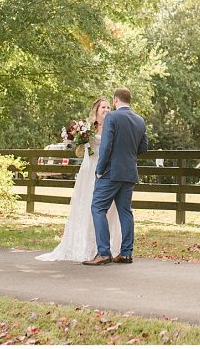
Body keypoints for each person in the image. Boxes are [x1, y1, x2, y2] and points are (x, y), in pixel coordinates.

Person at [36, 98, 122, 262]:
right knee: (87, 202)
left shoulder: (113, 125)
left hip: (106, 169)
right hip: (89, 169)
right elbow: (79, 151)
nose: (106, 109)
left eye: (108, 107)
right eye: (103, 107)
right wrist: (78, 139)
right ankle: (85, 244)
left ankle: (105, 246)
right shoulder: (89, 127)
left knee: (107, 207)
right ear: (96, 110)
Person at [84, 87, 147, 266]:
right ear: (129, 100)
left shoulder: (112, 117)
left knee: (97, 207)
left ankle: (104, 252)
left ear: (115, 100)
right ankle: (126, 253)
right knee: (125, 211)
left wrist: (100, 169)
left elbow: (106, 146)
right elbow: (143, 148)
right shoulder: (140, 120)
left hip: (111, 172)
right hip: (129, 172)